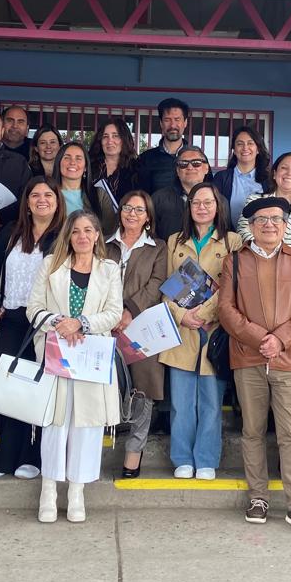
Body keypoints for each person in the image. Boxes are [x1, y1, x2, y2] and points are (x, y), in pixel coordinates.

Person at [218, 196, 291, 534]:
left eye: (276, 219)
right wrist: (261, 337)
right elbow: (226, 308)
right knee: (253, 430)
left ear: (286, 225)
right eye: (261, 219)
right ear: (250, 226)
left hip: (288, 358)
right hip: (248, 356)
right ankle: (258, 497)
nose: (269, 224)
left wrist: (280, 339)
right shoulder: (235, 260)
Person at [26, 210, 124, 523]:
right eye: (76, 231)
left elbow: (114, 312)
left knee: (86, 424)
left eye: (88, 230)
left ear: (97, 235)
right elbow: (33, 308)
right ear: (68, 235)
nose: (82, 236)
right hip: (56, 351)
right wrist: (61, 323)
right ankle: (48, 491)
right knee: (56, 422)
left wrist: (81, 323)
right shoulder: (51, 265)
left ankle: (77, 492)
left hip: (90, 356)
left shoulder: (109, 269)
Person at [0, 177, 65, 478]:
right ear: (27, 203)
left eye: (48, 195)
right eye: (35, 195)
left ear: (57, 201)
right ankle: (4, 459)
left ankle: (33, 457)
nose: (42, 199)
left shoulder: (65, 235)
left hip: (47, 323)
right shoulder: (11, 233)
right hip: (11, 318)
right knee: (10, 387)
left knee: (38, 389)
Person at [159, 182, 240, 480]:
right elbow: (165, 288)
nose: (202, 207)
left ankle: (206, 458)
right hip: (181, 332)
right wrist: (183, 316)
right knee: (181, 403)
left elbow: (234, 286)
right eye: (196, 202)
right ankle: (182, 458)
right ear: (189, 206)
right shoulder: (174, 241)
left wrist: (204, 314)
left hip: (215, 331)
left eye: (208, 202)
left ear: (218, 206)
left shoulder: (232, 241)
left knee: (211, 402)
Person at [108, 190, 168, 478]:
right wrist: (109, 314)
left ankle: (134, 452)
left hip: (143, 327)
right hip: (105, 324)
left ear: (148, 217)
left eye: (139, 210)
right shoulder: (104, 243)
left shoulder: (158, 247)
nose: (132, 214)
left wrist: (129, 310)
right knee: (104, 383)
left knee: (144, 389)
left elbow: (157, 283)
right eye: (127, 208)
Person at [237, 152, 291, 251]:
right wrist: (267, 253)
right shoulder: (254, 200)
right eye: (284, 168)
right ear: (274, 174)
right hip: (258, 258)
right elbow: (242, 231)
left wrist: (287, 255)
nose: (289, 173)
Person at [87, 118, 139, 236]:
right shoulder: (89, 166)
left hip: (124, 231)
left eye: (115, 136)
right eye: (105, 136)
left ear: (124, 139)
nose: (110, 141)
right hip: (90, 228)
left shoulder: (137, 169)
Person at [212, 127, 271, 227]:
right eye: (240, 144)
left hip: (262, 235)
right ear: (234, 150)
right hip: (229, 235)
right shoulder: (221, 178)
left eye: (250, 143)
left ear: (258, 149)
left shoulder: (269, 179)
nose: (245, 148)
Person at [152, 144, 213, 240]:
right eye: (183, 164)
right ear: (177, 170)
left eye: (196, 163)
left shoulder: (218, 200)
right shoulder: (158, 199)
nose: (190, 167)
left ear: (206, 168)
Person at [136, 97, 192, 194]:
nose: (172, 125)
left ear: (185, 122)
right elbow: (140, 196)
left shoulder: (197, 159)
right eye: (167, 120)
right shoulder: (146, 159)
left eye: (177, 119)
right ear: (161, 123)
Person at [57, 141, 94, 216]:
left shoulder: (99, 195)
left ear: (85, 167)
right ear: (59, 163)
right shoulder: (48, 193)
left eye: (78, 159)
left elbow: (109, 223)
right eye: (67, 158)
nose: (72, 162)